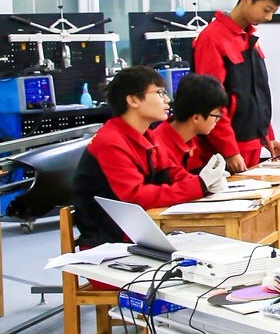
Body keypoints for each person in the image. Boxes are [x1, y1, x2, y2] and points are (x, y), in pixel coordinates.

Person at [71, 66, 226, 248]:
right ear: (133, 100)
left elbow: (172, 172)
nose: (167, 99)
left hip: (141, 232)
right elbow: (136, 197)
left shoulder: (148, 136)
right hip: (110, 244)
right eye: (159, 93)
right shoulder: (110, 142)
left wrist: (206, 183)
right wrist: (198, 185)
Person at [192, 0, 280, 173]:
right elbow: (211, 101)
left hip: (252, 143)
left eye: (273, 12)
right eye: (266, 10)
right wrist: (229, 150)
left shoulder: (249, 39)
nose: (268, 18)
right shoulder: (212, 39)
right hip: (227, 149)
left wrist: (267, 136)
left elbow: (258, 93)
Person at [152, 74, 229, 175]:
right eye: (216, 115)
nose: (218, 120)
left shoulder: (194, 141)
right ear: (196, 117)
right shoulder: (158, 147)